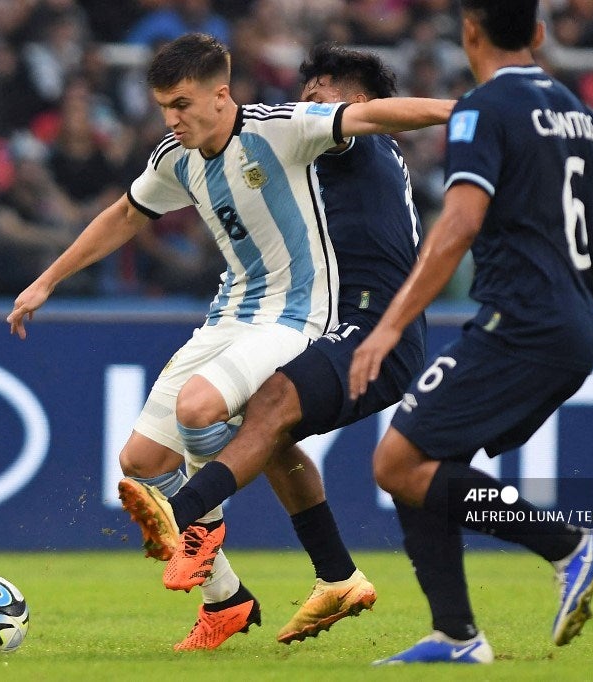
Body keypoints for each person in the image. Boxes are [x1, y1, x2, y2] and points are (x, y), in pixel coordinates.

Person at [6, 33, 453, 650]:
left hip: (322, 316)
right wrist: (47, 280)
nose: (171, 119)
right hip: (232, 314)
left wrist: (465, 109)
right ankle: (235, 598)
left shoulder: (296, 131)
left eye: (182, 104)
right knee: (149, 458)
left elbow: (371, 116)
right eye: (164, 106)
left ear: (220, 95)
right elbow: (127, 214)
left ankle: (190, 519)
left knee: (220, 410)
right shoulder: (178, 156)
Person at [346, 0, 593, 665]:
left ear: (469, 31)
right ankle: (456, 635)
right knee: (421, 460)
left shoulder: (483, 108)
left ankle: (570, 547)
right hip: (573, 327)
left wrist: (386, 328)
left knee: (393, 462)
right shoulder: (574, 108)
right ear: (539, 33)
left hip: (520, 326)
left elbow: (457, 227)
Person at [117, 42, 429, 648]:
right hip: (351, 321)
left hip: (371, 327)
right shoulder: (326, 157)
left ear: (361, 103)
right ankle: (329, 577)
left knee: (268, 406)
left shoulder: (356, 144)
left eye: (322, 92)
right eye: (303, 89)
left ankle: (185, 519)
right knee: (270, 427)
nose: (306, 100)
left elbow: (359, 121)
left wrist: (477, 110)